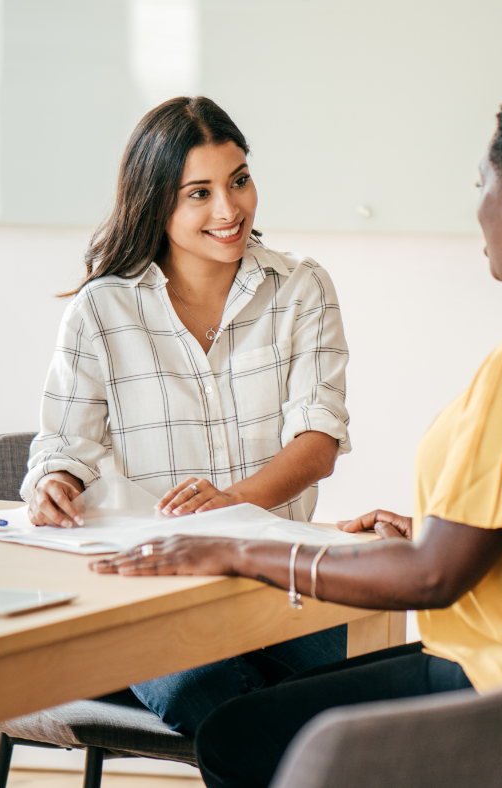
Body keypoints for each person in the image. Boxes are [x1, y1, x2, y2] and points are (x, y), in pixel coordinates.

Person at [92, 77, 502, 788]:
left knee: (236, 736)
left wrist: (237, 547)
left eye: (483, 184)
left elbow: (434, 578)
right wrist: (430, 532)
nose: (478, 207)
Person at [20, 96, 352, 736]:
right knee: (215, 696)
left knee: (363, 686)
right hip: (152, 600)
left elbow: (317, 443)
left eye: (239, 181)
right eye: (198, 193)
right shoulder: (101, 310)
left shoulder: (301, 288)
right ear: (156, 203)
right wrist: (53, 485)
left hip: (280, 590)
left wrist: (228, 505)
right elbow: (61, 446)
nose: (229, 210)